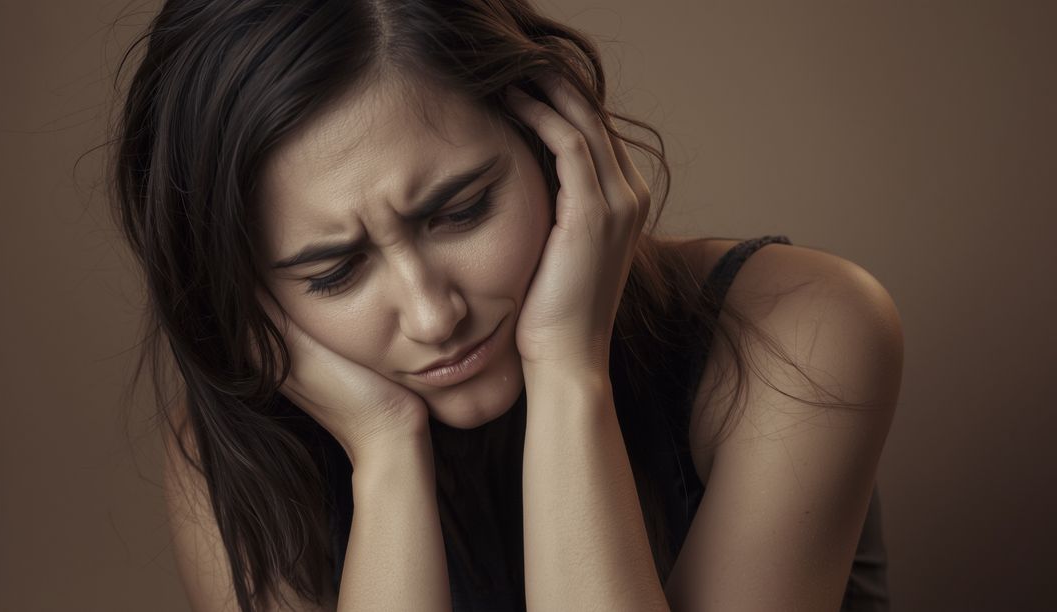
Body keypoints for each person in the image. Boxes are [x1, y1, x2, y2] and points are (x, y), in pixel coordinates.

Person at [108, 1, 903, 610]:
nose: (432, 315)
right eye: (335, 271)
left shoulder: (799, 330)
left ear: (565, 142)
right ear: (247, 296)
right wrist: (386, 458)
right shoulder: (232, 462)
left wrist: (565, 368)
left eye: (459, 212)